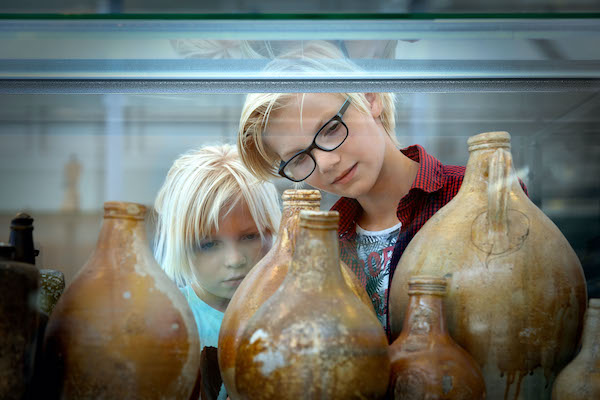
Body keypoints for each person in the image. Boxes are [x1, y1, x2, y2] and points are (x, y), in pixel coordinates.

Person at [237, 41, 527, 336]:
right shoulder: (324, 243)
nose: (325, 163)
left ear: (369, 97)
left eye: (331, 129)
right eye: (299, 158)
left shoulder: (476, 195)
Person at [153, 144, 281, 399]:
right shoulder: (170, 324)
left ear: (273, 230)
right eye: (209, 244)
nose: (234, 260)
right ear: (180, 247)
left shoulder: (291, 311)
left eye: (249, 237)